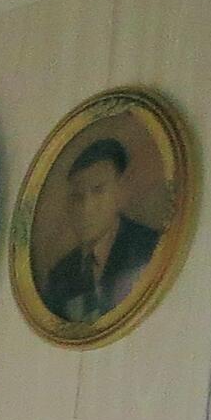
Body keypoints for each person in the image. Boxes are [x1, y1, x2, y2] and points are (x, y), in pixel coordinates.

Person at [40, 136, 162, 326]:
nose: (86, 207)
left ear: (120, 192)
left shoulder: (150, 247)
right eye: (77, 196)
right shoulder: (60, 276)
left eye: (98, 190)